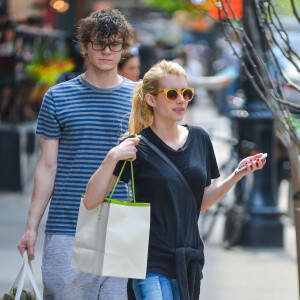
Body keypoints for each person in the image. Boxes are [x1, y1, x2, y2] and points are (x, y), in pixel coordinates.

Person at [83, 60, 267, 300]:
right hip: (149, 263)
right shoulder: (136, 146)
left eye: (186, 93)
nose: (181, 100)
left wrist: (237, 174)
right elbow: (90, 201)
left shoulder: (200, 139)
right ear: (151, 99)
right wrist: (111, 158)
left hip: (188, 261)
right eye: (172, 94)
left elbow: (200, 202)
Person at [18, 8, 136, 300]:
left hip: (122, 224)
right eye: (99, 43)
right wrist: (31, 227)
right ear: (85, 46)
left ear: (123, 48)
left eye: (115, 43)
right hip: (67, 224)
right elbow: (47, 167)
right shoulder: (58, 97)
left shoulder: (139, 100)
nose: (107, 50)